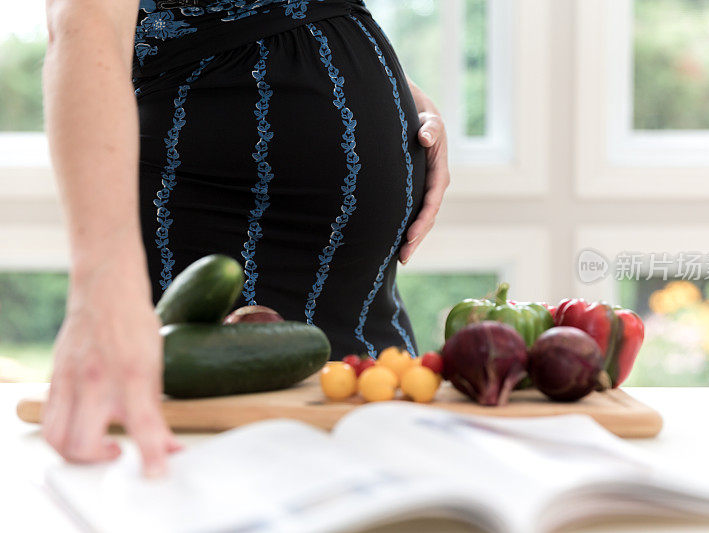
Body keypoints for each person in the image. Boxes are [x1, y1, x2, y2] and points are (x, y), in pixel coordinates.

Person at [42, 0, 450, 477]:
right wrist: (100, 290)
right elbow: (82, 19)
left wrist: (396, 93)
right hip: (215, 278)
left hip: (368, 341)